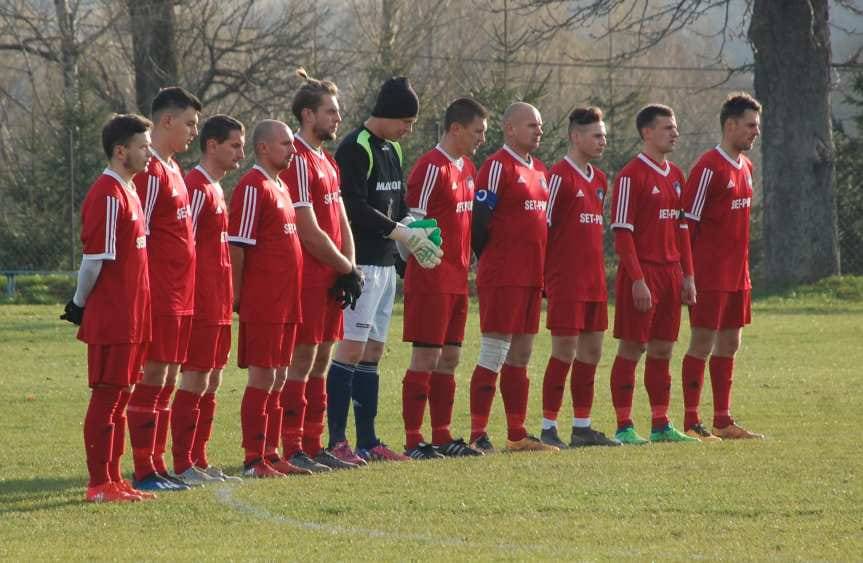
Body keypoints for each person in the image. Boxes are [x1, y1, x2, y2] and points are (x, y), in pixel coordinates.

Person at [327, 76, 441, 463]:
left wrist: (416, 227)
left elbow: (398, 202)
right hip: (360, 263)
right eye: (405, 121)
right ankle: (338, 441)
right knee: (352, 349)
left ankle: (369, 440)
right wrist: (401, 233)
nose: (408, 129)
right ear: (389, 114)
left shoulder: (392, 148)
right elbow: (353, 206)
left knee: (374, 350)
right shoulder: (355, 147)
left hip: (386, 263)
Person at [62, 113, 157, 502]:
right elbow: (93, 262)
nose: (149, 153)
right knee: (107, 396)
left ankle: (115, 479)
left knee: (122, 396)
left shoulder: (129, 190)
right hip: (114, 316)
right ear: (121, 151)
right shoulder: (106, 193)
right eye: (142, 146)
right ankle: (98, 484)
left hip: (133, 315)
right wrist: (79, 304)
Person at [278, 69, 362, 472]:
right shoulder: (294, 158)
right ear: (308, 115)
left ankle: (313, 444)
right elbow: (308, 231)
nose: (338, 118)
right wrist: (343, 265)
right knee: (303, 359)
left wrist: (351, 267)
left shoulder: (327, 160)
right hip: (307, 277)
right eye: (331, 111)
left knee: (324, 359)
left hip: (332, 275)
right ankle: (291, 446)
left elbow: (341, 217)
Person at [400, 97, 489, 459]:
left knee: (450, 358)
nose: (482, 138)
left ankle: (442, 435)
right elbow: (408, 225)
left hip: (457, 279)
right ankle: (412, 440)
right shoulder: (429, 168)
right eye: (477, 131)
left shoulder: (468, 167)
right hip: (430, 281)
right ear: (456, 129)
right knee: (426, 358)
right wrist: (416, 258)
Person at [468, 102, 559, 453]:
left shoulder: (540, 170)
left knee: (521, 356)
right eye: (531, 125)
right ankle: (478, 434)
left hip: (531, 276)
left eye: (540, 125)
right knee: (494, 351)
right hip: (503, 275)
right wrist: (488, 258)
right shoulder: (495, 166)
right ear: (509, 129)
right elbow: (479, 219)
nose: (539, 130)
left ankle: (517, 434)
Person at [608, 104, 698, 445]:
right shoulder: (631, 175)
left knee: (663, 350)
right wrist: (638, 279)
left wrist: (688, 275)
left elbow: (682, 229)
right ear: (647, 132)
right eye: (667, 128)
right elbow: (622, 233)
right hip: (642, 274)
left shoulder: (677, 175)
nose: (674, 133)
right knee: (633, 348)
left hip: (671, 273)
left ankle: (661, 424)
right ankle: (624, 426)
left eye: (674, 127)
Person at [679, 93, 765, 441]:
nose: (755, 133)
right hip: (709, 275)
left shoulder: (746, 167)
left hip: (737, 275)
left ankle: (722, 420)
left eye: (757, 126)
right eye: (750, 125)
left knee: (730, 343)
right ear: (730, 126)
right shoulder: (707, 168)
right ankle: (690, 421)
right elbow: (686, 223)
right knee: (702, 342)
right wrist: (689, 273)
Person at [128, 87, 202, 491]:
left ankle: (157, 464)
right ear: (167, 121)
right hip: (159, 292)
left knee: (170, 375)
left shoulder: (174, 168)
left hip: (182, 293)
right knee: (153, 374)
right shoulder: (152, 171)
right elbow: (142, 235)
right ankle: (143, 468)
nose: (193, 131)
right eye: (189, 123)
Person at [227, 120, 308, 478]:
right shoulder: (251, 186)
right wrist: (240, 295)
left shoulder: (281, 186)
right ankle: (252, 458)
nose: (292, 150)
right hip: (264, 301)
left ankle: (271, 453)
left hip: (287, 300)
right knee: (263, 377)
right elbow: (238, 247)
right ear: (263, 148)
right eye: (286, 144)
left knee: (279, 377)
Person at [169, 115, 245, 484]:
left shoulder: (214, 187)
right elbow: (183, 245)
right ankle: (182, 463)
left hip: (218, 303)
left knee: (212, 380)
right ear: (211, 146)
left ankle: (198, 458)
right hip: (199, 302)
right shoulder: (195, 187)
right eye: (234, 145)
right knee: (195, 379)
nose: (240, 154)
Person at [539, 107, 620, 449]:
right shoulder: (559, 175)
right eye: (596, 135)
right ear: (576, 137)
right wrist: (544, 278)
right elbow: (543, 227)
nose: (603, 141)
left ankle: (582, 428)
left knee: (592, 352)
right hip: (566, 280)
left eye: (604, 135)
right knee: (564, 352)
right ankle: (548, 427)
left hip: (593, 281)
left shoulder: (600, 180)